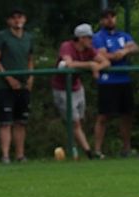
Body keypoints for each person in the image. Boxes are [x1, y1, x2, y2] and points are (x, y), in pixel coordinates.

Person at [53, 23, 108, 160]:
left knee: (79, 121)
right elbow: (69, 64)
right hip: (62, 89)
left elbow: (106, 62)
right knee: (75, 122)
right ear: (81, 38)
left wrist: (97, 68)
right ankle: (89, 153)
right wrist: (90, 65)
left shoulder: (90, 50)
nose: (91, 40)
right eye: (89, 37)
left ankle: (76, 150)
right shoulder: (67, 46)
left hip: (77, 87)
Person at [93, 8, 139, 158]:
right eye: (106, 17)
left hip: (124, 79)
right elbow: (102, 54)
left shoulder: (123, 35)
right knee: (103, 116)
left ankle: (126, 149)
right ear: (101, 20)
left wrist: (125, 52)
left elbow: (136, 47)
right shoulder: (98, 37)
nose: (110, 20)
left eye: (112, 17)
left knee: (126, 115)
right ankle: (97, 150)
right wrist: (118, 54)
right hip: (108, 81)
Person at [0, 7, 34, 164]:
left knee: (21, 122)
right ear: (9, 20)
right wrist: (8, 78)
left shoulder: (28, 37)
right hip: (6, 87)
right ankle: (5, 155)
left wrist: (31, 77)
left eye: (20, 17)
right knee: (5, 122)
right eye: (14, 17)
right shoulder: (2, 37)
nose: (17, 20)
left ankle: (20, 155)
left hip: (24, 85)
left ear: (24, 19)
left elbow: (30, 59)